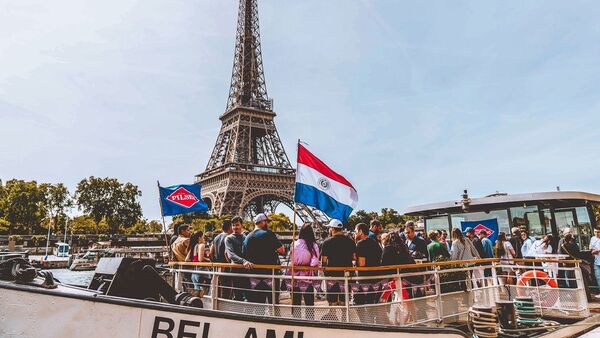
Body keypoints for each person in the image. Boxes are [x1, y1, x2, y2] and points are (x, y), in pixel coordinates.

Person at [243, 213, 285, 305]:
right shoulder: (268, 234)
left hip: (255, 276)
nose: (268, 224)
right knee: (273, 303)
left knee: (259, 303)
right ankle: (273, 318)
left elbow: (244, 256)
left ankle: (259, 318)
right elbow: (281, 250)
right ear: (262, 222)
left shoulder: (247, 238)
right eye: (267, 222)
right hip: (270, 275)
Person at [320, 219, 356, 320]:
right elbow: (354, 257)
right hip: (346, 274)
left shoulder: (327, 242)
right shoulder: (350, 241)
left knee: (332, 296)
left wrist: (324, 270)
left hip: (332, 274)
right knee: (344, 295)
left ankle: (332, 314)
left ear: (332, 229)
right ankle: (345, 315)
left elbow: (324, 260)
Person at [288, 223, 320, 319]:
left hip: (296, 277)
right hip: (307, 277)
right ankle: (310, 321)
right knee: (309, 302)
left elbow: (291, 260)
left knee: (296, 302)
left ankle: (296, 320)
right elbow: (314, 262)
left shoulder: (294, 243)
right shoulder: (313, 245)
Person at [225, 217, 254, 301]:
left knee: (249, 295)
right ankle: (238, 313)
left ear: (242, 225)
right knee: (238, 295)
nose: (235, 227)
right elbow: (231, 255)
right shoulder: (229, 238)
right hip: (236, 270)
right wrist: (244, 261)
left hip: (247, 269)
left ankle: (248, 313)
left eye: (237, 225)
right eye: (233, 225)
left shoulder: (246, 237)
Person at [354, 222, 383, 306]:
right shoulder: (375, 243)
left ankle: (366, 319)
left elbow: (362, 263)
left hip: (364, 279)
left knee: (360, 305)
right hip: (376, 278)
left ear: (360, 231)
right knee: (372, 304)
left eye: (356, 231)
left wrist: (355, 262)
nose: (355, 233)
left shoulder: (360, 244)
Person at [209, 219, 234, 299]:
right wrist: (230, 264)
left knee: (218, 291)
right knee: (227, 292)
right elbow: (226, 253)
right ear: (230, 227)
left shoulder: (216, 237)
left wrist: (215, 262)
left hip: (217, 268)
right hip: (226, 268)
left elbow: (210, 253)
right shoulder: (229, 237)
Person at [187, 231, 211, 296]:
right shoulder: (201, 245)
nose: (204, 238)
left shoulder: (194, 246)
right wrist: (209, 260)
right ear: (199, 237)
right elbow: (200, 259)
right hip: (203, 273)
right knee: (205, 295)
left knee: (197, 294)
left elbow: (187, 259)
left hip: (195, 273)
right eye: (203, 237)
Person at [589, 228, 600, 294]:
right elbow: (590, 247)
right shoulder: (592, 238)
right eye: (595, 232)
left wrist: (598, 251)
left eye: (598, 232)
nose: (596, 233)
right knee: (598, 277)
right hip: (596, 261)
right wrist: (592, 250)